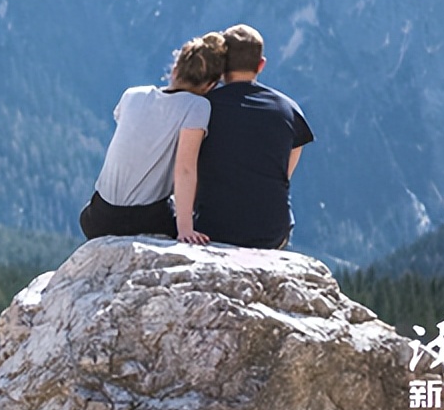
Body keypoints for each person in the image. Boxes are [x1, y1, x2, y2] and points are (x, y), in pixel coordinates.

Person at [80, 33, 226, 245]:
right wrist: (185, 229)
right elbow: (185, 169)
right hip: (144, 219)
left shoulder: (132, 95)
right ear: (210, 86)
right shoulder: (197, 106)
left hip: (98, 217)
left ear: (175, 70)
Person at [194, 24, 314, 249]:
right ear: (261, 65)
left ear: (221, 66)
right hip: (271, 234)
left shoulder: (202, 108)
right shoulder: (289, 110)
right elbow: (283, 174)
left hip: (213, 229)